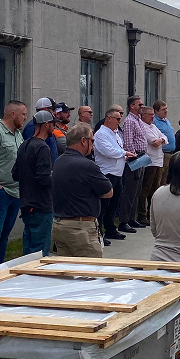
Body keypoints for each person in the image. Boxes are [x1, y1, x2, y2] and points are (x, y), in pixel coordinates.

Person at [52, 123, 114, 258]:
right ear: (83, 141)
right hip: (81, 228)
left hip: (60, 224)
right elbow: (108, 192)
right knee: (90, 273)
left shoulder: (58, 162)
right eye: (92, 140)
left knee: (66, 272)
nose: (93, 144)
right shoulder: (87, 165)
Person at [0, 100, 26, 258]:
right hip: (2, 192)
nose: (25, 117)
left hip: (16, 191)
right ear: (12, 114)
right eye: (23, 114)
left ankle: (0, 267)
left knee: (5, 235)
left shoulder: (17, 134)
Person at [14, 109, 56, 257]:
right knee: (40, 252)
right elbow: (43, 178)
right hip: (41, 205)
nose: (54, 127)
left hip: (27, 203)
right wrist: (55, 178)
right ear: (45, 125)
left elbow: (15, 174)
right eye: (53, 124)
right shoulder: (43, 147)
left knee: (28, 251)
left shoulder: (24, 145)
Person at [94, 105, 133, 242]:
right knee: (103, 205)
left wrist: (125, 156)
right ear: (109, 118)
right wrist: (124, 153)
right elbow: (108, 151)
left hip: (117, 173)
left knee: (113, 204)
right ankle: (99, 233)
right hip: (107, 173)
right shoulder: (101, 134)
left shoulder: (115, 133)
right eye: (117, 118)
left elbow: (117, 149)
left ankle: (110, 229)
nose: (119, 121)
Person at [120, 94, 148, 231]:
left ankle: (132, 218)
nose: (141, 107)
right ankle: (124, 220)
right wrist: (133, 158)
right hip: (134, 157)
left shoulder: (138, 120)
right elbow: (128, 141)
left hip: (142, 156)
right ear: (132, 106)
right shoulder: (129, 121)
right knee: (130, 191)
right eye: (139, 105)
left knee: (137, 191)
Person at [137, 105, 167, 226]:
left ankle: (151, 213)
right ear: (143, 115)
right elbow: (153, 142)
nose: (152, 117)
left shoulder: (153, 126)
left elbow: (165, 137)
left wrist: (162, 140)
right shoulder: (143, 127)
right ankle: (142, 214)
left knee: (155, 189)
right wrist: (160, 140)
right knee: (146, 189)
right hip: (150, 161)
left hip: (158, 160)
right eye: (150, 115)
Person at [22, 97, 59, 162]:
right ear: (44, 109)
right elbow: (31, 154)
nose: (55, 112)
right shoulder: (32, 127)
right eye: (53, 109)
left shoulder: (48, 126)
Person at [152, 100, 176, 188]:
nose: (166, 111)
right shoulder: (154, 122)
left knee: (167, 179)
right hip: (162, 153)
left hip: (170, 153)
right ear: (156, 111)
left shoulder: (166, 120)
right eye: (163, 109)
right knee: (160, 179)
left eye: (166, 109)